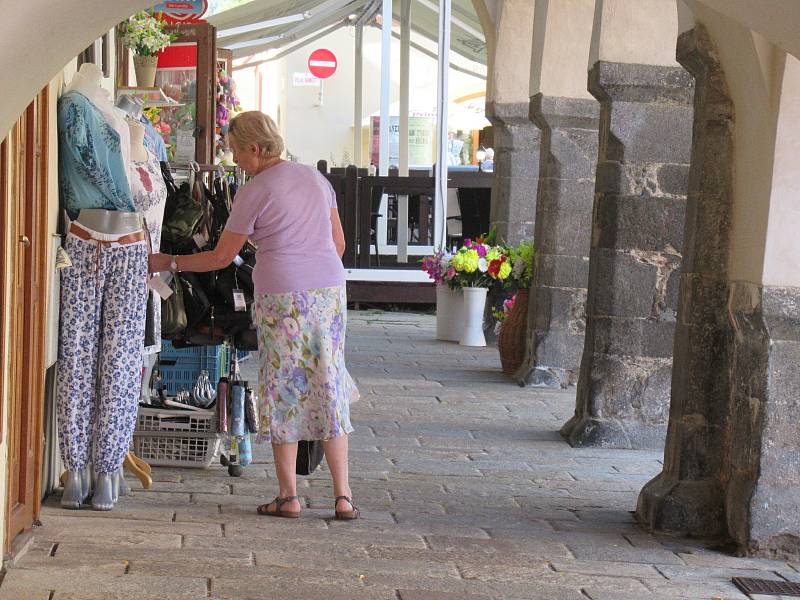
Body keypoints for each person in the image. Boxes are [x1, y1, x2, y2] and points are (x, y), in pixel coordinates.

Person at [149, 111, 360, 520]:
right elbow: (338, 244)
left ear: (256, 149)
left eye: (236, 151)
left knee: (283, 385)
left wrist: (170, 261)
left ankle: (289, 496)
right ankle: (343, 496)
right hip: (330, 293)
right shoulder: (317, 180)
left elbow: (222, 257)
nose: (234, 159)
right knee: (329, 381)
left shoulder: (254, 190)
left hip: (282, 295)